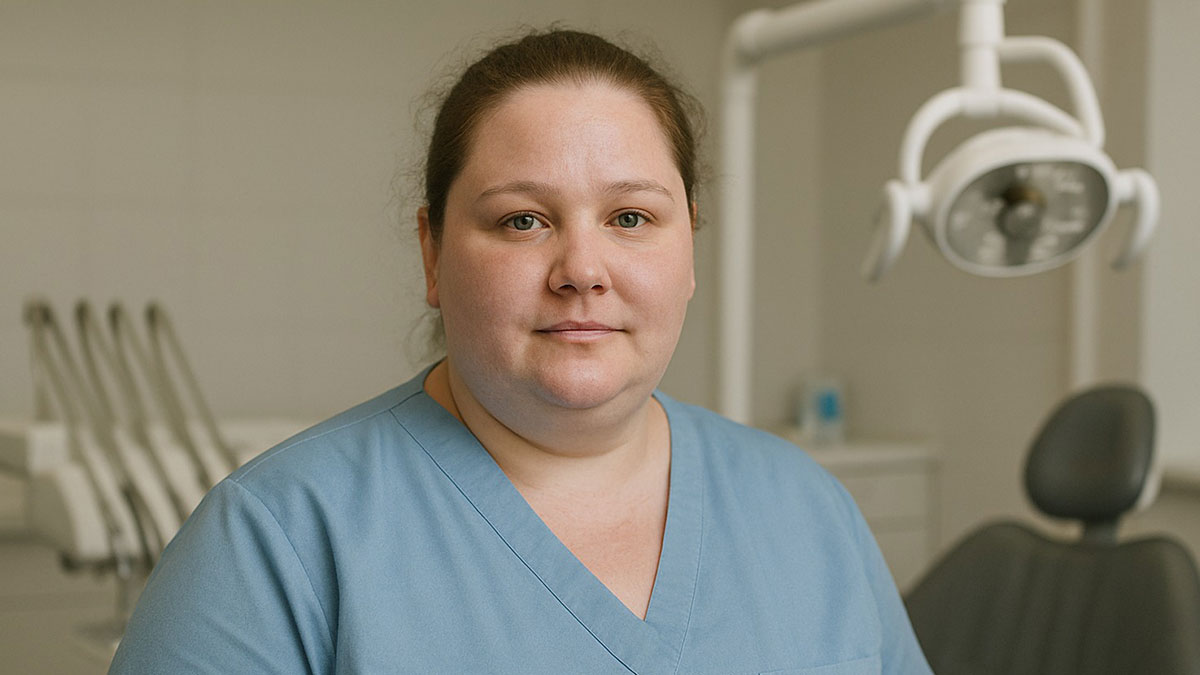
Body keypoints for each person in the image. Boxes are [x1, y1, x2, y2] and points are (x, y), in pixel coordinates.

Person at [109, 29, 931, 674]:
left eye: (631, 218)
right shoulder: (274, 545)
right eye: (522, 221)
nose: (582, 271)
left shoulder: (808, 514)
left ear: (690, 251)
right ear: (433, 255)